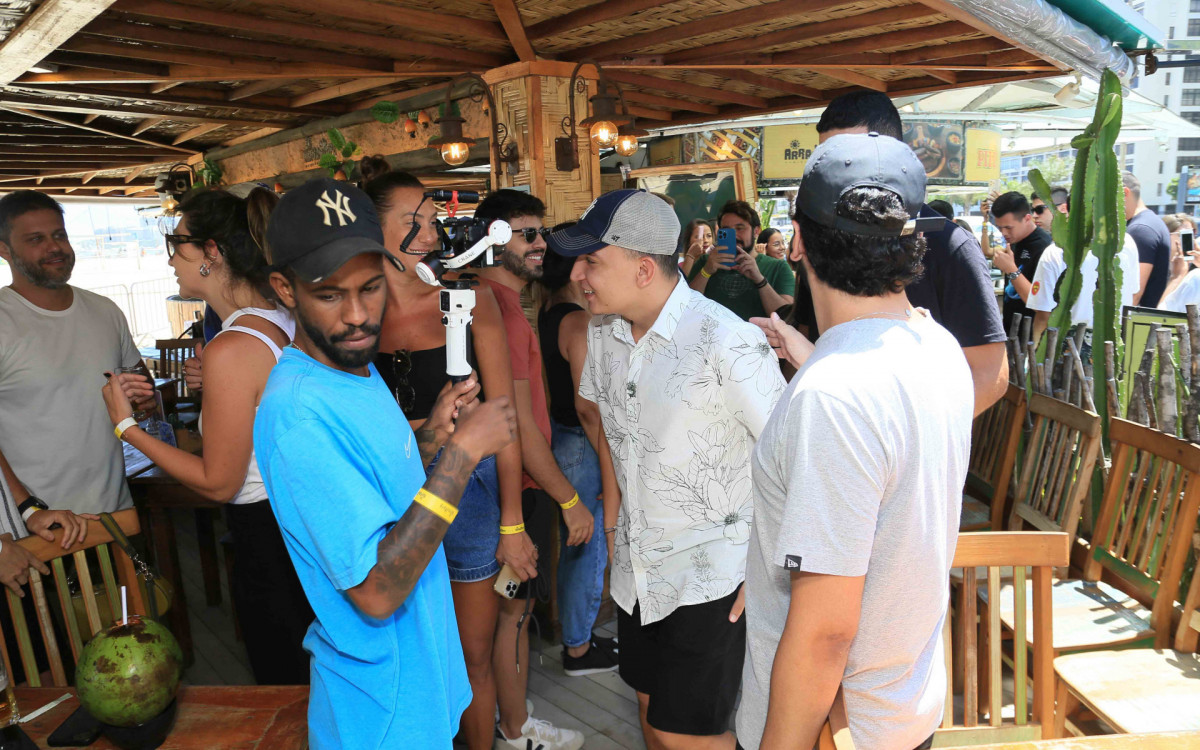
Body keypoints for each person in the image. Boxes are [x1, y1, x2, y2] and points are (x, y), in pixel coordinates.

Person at [254, 177, 518, 748]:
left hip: (416, 688)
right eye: (329, 295)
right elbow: (376, 590)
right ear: (284, 289)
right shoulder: (298, 414)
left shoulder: (352, 368)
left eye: (370, 288)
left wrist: (432, 442)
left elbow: (382, 492)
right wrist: (463, 456)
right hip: (380, 714)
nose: (357, 315)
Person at [736, 132, 973, 750]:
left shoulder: (835, 396)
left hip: (836, 727)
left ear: (799, 240)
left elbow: (825, 633)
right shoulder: (937, 344)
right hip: (904, 708)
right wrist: (815, 359)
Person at [553, 189, 786, 750]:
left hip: (714, 573)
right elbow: (611, 432)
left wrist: (768, 570)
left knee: (684, 734)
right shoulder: (603, 333)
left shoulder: (728, 340)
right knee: (648, 707)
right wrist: (614, 529)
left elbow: (791, 459)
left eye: (592, 261)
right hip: (638, 567)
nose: (577, 275)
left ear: (642, 269)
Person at [98, 188, 313, 686]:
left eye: (177, 245)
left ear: (211, 252)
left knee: (283, 684)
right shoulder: (280, 319)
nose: (171, 259)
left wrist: (126, 426)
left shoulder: (233, 346)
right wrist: (215, 385)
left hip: (267, 535)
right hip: (299, 519)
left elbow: (219, 482)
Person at [357, 163, 535, 750]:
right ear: (372, 229)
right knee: (408, 654)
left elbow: (504, 418)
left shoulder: (469, 298)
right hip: (386, 491)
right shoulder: (354, 315)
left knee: (471, 656)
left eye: (432, 219)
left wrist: (513, 523)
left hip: (470, 492)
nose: (432, 233)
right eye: (415, 221)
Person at [473, 190, 590, 750]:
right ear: (492, 240)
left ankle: (511, 713)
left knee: (507, 614)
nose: (540, 243)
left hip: (504, 484)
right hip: (514, 487)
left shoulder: (495, 302)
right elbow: (517, 424)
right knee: (512, 615)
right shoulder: (499, 311)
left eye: (540, 232)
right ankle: (515, 730)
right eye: (526, 234)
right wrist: (569, 498)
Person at [807, 90, 1007, 415]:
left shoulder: (950, 245)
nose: (836, 173)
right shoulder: (823, 240)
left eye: (850, 158)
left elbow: (989, 374)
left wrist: (918, 436)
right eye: (826, 160)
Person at [0, 190, 156, 517]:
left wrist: (143, 401)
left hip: (114, 512)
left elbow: (143, 390)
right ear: (4, 250)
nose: (54, 247)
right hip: (39, 524)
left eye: (59, 235)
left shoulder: (105, 310)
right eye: (36, 239)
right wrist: (27, 508)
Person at [536, 242, 622, 680]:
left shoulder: (549, 311)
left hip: (564, 438)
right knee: (588, 550)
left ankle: (580, 636)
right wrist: (612, 462)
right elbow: (588, 406)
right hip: (583, 444)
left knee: (577, 548)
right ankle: (578, 648)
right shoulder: (577, 320)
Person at [687, 200, 795, 321]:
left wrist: (759, 279)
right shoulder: (705, 262)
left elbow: (788, 317)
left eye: (740, 228)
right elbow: (686, 306)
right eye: (727, 230)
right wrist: (706, 271)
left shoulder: (778, 267)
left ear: (756, 231)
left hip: (759, 333)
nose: (734, 235)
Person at [989, 191, 1051, 331]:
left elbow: (1040, 304)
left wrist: (1011, 270)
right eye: (999, 228)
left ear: (1027, 218)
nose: (1003, 233)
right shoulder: (1014, 241)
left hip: (1032, 335)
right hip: (1011, 328)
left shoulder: (1045, 248)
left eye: (1008, 227)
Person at [1124, 172, 1171, 307]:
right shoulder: (1151, 222)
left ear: (1125, 193)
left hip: (1137, 317)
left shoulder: (1140, 230)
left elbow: (1134, 295)